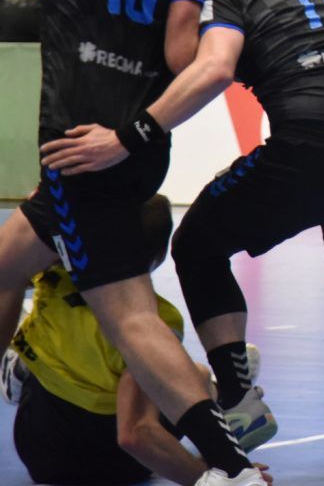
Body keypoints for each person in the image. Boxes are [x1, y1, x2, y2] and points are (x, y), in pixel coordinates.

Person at [40, 0, 324, 472]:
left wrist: (127, 137)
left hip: (306, 147)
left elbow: (209, 68)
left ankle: (239, 401)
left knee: (196, 245)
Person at [0, 0, 260, 486]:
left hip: (77, 143)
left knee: (132, 318)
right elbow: (181, 56)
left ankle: (227, 469)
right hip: (138, 143)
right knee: (5, 264)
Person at [5, 195, 272, 486]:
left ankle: (21, 365)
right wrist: (216, 475)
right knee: (194, 374)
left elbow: (35, 216)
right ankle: (221, 395)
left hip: (40, 456)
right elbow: (136, 435)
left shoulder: (51, 275)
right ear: (158, 257)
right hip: (122, 467)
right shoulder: (155, 322)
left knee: (52, 349)